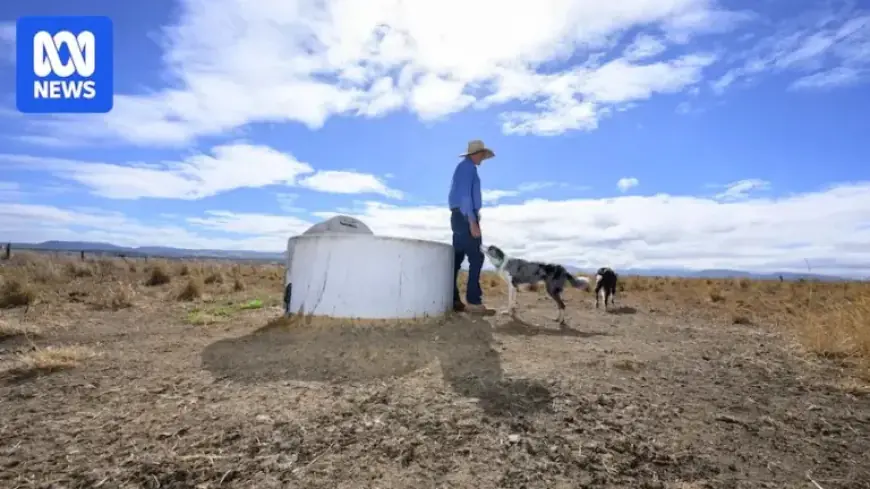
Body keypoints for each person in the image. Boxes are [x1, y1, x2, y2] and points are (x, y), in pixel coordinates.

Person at [448, 139, 496, 315]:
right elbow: (465, 197)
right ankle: (474, 302)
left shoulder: (464, 168)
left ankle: (453, 300)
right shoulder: (468, 169)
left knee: (456, 260)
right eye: (482, 155)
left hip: (459, 217)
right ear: (477, 154)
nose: (483, 158)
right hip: (465, 216)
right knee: (476, 258)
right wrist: (472, 220)